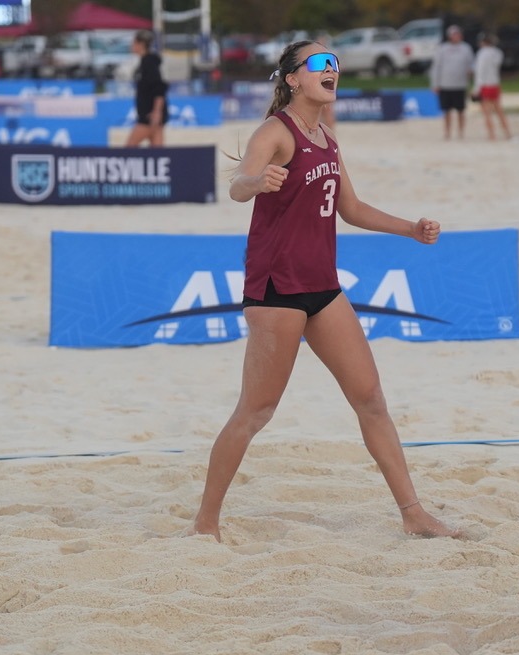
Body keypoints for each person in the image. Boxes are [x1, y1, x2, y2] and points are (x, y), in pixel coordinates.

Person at [189, 41, 459, 543]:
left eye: (334, 63)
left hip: (322, 287)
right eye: (318, 63)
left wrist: (410, 228)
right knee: (256, 412)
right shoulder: (276, 131)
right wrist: (256, 181)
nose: (330, 69)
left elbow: (350, 208)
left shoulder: (327, 137)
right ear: (293, 78)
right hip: (277, 291)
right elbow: (237, 185)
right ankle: (205, 523)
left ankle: (414, 514)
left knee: (371, 399)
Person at [429, 25, 474, 141]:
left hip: (460, 84)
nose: (456, 36)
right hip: (445, 84)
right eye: (454, 34)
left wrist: (471, 73)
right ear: (449, 36)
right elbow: (436, 67)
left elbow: (471, 64)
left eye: (458, 34)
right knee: (446, 110)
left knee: (461, 110)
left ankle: (461, 132)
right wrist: (435, 84)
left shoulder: (466, 48)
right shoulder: (442, 49)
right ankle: (447, 132)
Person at [125, 30, 168, 147]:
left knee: (127, 151)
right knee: (157, 154)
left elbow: (159, 88)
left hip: (149, 116)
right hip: (151, 115)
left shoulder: (149, 62)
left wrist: (157, 111)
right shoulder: (146, 62)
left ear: (141, 44)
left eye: (133, 43)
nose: (131, 46)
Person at [472, 34, 511, 141]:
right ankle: (507, 132)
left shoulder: (482, 54)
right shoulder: (498, 53)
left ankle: (492, 135)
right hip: (495, 84)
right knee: (499, 110)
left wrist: (476, 88)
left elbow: (480, 72)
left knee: (487, 112)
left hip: (485, 85)